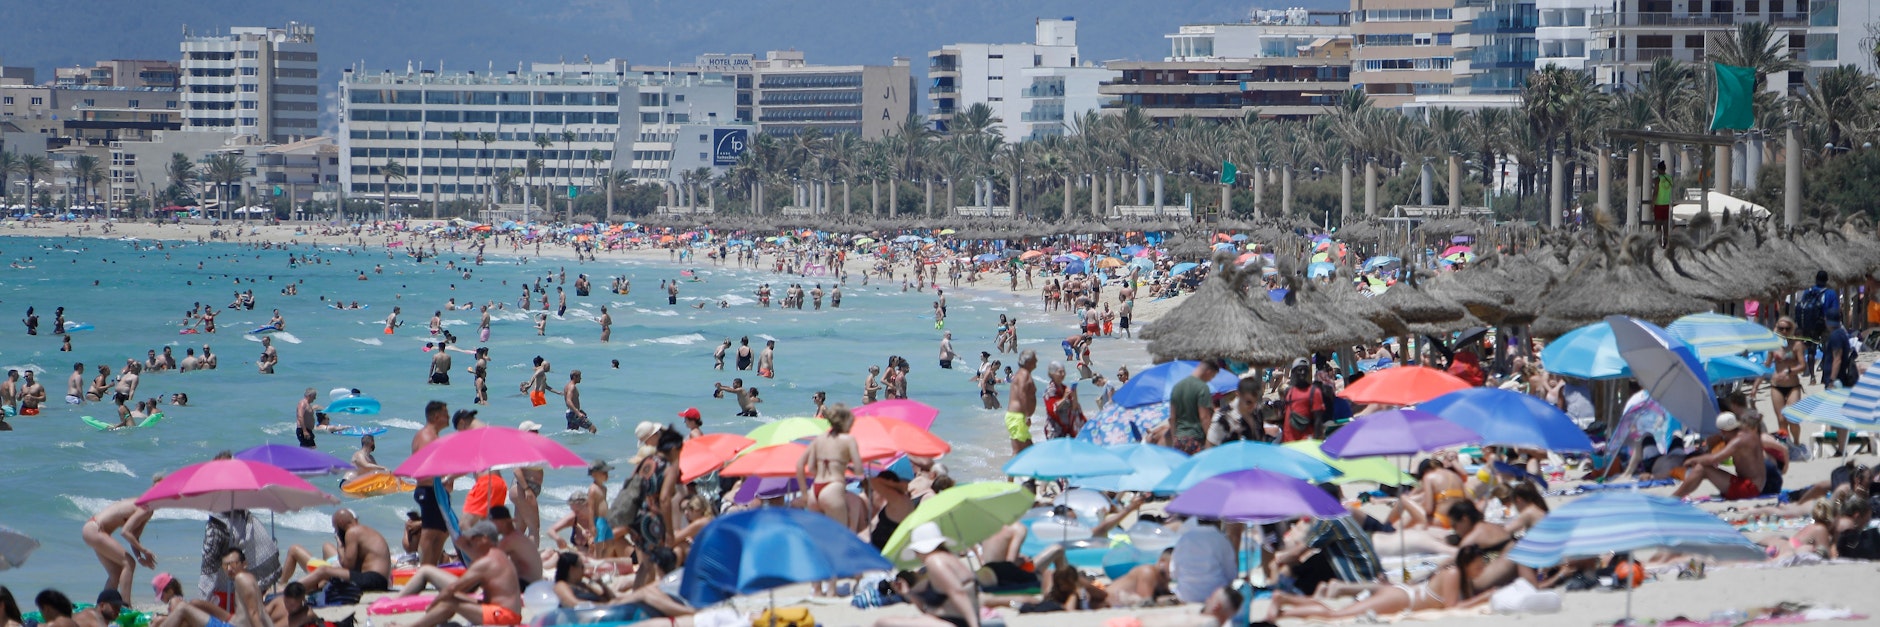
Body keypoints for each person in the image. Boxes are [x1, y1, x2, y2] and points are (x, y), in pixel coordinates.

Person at [1265, 546, 1495, 621]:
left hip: (1402, 595)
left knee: (1338, 613)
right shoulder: (1454, 573)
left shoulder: (1459, 575)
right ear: (1467, 563)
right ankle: (1283, 606)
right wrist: (1483, 598)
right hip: (1401, 598)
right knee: (1337, 616)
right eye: (1479, 565)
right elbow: (1451, 607)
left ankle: (1285, 604)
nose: (1481, 569)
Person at [391, 522, 523, 627]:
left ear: (484, 539)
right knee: (451, 599)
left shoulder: (487, 561)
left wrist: (434, 604)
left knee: (449, 601)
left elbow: (453, 588)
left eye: (475, 539)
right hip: (504, 612)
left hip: (503, 616)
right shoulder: (499, 556)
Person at [874, 523, 979, 627]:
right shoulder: (948, 558)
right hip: (950, 620)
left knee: (882, 623)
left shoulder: (934, 561)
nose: (916, 555)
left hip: (955, 622)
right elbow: (927, 611)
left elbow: (958, 593)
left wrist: (974, 625)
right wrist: (907, 593)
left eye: (916, 551)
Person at [278, 510, 392, 595]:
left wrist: (340, 544)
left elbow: (348, 565)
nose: (336, 531)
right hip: (379, 580)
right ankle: (294, 589)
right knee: (327, 577)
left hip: (373, 580)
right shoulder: (364, 531)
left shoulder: (352, 532)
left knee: (324, 570)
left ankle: (288, 591)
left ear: (341, 523)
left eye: (335, 528)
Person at [799, 405, 870, 533]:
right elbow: (859, 470)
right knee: (839, 537)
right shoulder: (848, 440)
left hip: (814, 491)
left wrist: (804, 494)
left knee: (818, 538)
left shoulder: (818, 439)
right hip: (833, 488)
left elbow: (802, 466)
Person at [1672, 411, 1771, 500]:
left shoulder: (1738, 441)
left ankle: (1674, 498)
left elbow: (1715, 458)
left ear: (1723, 431)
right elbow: (1712, 454)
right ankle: (1676, 496)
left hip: (1749, 489)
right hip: (1754, 486)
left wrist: (1690, 460)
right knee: (1702, 467)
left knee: (1702, 468)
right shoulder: (1747, 435)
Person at [160, 548, 270, 627]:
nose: (229, 569)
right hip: (231, 622)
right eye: (225, 565)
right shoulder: (249, 579)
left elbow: (254, 613)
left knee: (182, 608)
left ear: (244, 564)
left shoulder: (241, 578)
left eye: (233, 564)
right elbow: (261, 613)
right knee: (192, 607)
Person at [83, 491, 158, 604]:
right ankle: (125, 606)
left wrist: (139, 557)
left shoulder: (146, 508)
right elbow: (125, 532)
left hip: (91, 529)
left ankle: (102, 605)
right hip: (96, 529)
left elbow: (134, 536)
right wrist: (144, 550)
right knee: (129, 563)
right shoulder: (145, 507)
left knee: (115, 573)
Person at [411, 401, 451, 566]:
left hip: (436, 490)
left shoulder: (433, 436)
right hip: (429, 489)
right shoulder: (427, 437)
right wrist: (445, 481)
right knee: (430, 532)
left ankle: (431, 568)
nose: (449, 417)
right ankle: (425, 570)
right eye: (446, 414)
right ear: (436, 416)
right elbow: (425, 470)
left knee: (443, 531)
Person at [1171, 520, 1236, 604]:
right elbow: (1231, 573)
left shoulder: (1184, 538)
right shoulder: (1221, 539)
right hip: (1215, 593)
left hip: (1185, 595)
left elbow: (1174, 573)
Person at [1767, 316, 1807, 440]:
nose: (1784, 331)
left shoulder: (1797, 345)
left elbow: (1803, 366)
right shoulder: (1773, 345)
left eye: (1787, 328)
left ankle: (1796, 442)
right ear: (1777, 328)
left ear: (1792, 329)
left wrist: (1790, 371)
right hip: (1776, 385)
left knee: (1792, 419)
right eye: (1781, 328)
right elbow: (1767, 365)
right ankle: (1786, 445)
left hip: (1792, 386)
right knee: (1781, 419)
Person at [1168, 359, 1218, 453]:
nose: (1210, 380)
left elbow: (1172, 418)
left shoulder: (1176, 387)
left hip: (1179, 440)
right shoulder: (1202, 387)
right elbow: (1204, 418)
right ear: (1208, 372)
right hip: (1196, 440)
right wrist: (1211, 441)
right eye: (1212, 376)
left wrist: (1174, 439)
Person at [489, 506, 545, 587]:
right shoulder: (518, 535)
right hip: (534, 581)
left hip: (526, 584)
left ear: (503, 522)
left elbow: (489, 560)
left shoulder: (509, 540)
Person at [1281, 358, 1328, 443]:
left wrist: (1316, 442)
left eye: (1305, 370)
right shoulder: (1289, 392)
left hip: (1306, 441)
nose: (1302, 372)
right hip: (1288, 441)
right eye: (1299, 370)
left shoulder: (1314, 392)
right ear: (1294, 372)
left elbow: (1318, 419)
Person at [549, 552, 614, 608]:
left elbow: (610, 599)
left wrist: (600, 583)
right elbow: (573, 603)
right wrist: (604, 606)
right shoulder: (561, 585)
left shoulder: (583, 585)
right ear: (572, 569)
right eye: (582, 567)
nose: (584, 569)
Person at [1005, 350, 1038, 454]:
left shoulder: (1022, 373)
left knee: (1028, 450)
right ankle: (1010, 470)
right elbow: (1022, 394)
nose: (1037, 360)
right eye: (1034, 358)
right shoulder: (1024, 374)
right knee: (1018, 451)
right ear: (1028, 362)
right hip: (1017, 417)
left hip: (1018, 417)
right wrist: (1026, 416)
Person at [1651, 161, 1673, 247]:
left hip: (1659, 204)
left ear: (1659, 169)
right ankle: (1666, 242)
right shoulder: (1669, 178)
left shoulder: (1658, 179)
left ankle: (1660, 243)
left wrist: (1652, 203)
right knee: (1666, 225)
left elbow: (1656, 192)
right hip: (1667, 204)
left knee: (1658, 226)